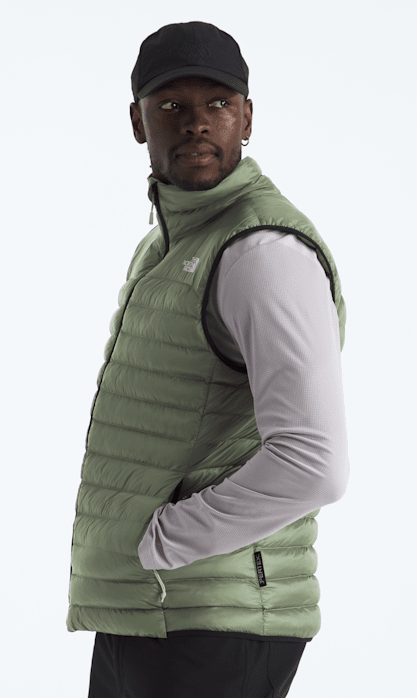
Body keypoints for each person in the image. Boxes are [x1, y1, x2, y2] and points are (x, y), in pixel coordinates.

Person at [67, 21, 350, 698]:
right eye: (171, 105)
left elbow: (315, 463)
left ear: (246, 119)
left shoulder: (262, 252)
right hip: (149, 610)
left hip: (214, 619)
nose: (196, 122)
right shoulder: (165, 248)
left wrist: (161, 540)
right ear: (138, 122)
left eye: (218, 103)